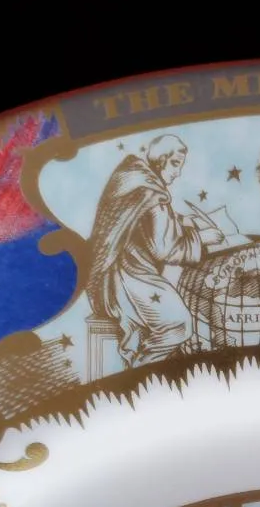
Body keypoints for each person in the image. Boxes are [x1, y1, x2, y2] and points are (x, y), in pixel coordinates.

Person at [86, 134, 223, 364]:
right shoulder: (151, 193)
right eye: (175, 164)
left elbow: (145, 226)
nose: (178, 172)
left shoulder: (135, 179)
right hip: (130, 275)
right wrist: (202, 238)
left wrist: (184, 221)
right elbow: (165, 249)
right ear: (161, 160)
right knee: (178, 325)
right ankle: (142, 371)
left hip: (119, 270)